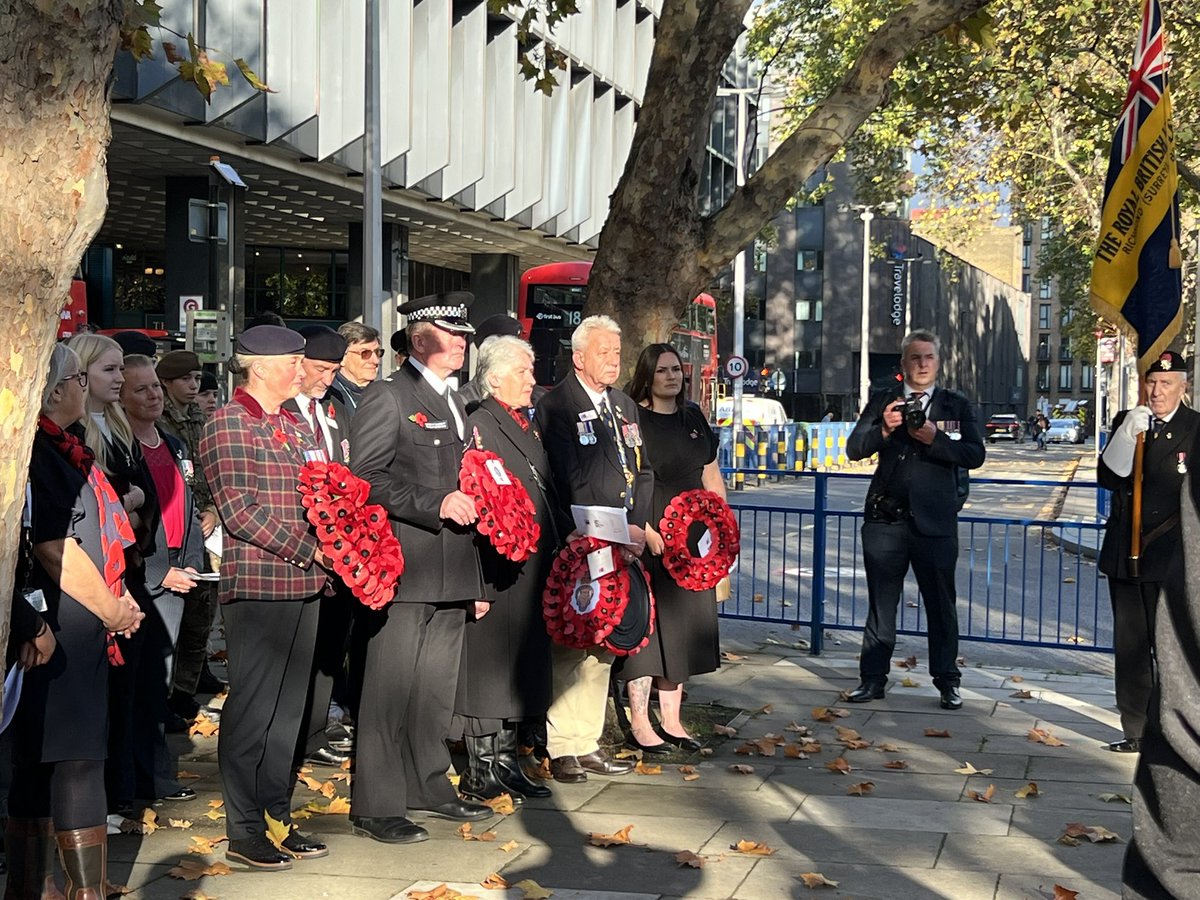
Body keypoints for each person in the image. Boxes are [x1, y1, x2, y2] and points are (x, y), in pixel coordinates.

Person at [349, 292, 492, 844]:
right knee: (388, 688)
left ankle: (428, 785)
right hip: (406, 568)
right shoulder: (389, 397)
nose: (461, 341)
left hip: (454, 568)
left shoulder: (456, 399)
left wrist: (477, 576)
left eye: (463, 334)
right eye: (449, 332)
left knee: (434, 689)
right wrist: (432, 503)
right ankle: (377, 803)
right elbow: (364, 479)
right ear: (416, 339)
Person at [6, 344, 143, 899]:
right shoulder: (40, 449)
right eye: (79, 381)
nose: (85, 390)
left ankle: (42, 887)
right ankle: (72, 890)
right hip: (59, 623)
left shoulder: (60, 446)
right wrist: (111, 608)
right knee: (74, 758)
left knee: (45, 758)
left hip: (66, 622)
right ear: (58, 389)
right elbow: (53, 543)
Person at [198, 325, 332, 870]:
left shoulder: (290, 422)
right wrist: (312, 551)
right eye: (294, 363)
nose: (301, 372)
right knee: (254, 710)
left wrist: (339, 539)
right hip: (260, 585)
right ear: (260, 367)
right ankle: (243, 827)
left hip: (305, 584)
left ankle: (276, 815)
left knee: (288, 715)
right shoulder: (229, 423)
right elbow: (240, 511)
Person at [534, 315, 653, 784]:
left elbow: (641, 470)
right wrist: (590, 535)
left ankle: (587, 740)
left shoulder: (624, 405)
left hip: (623, 539)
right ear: (579, 356)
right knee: (572, 638)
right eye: (603, 352)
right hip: (580, 542)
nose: (613, 360)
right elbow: (564, 478)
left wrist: (637, 526)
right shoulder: (557, 405)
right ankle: (561, 744)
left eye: (617, 353)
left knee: (603, 641)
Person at [844, 330, 985, 710]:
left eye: (929, 358)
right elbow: (854, 449)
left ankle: (947, 682)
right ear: (903, 364)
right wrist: (885, 428)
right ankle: (872, 679)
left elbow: (975, 454)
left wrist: (933, 437)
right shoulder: (883, 402)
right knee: (881, 604)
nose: (922, 364)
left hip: (935, 524)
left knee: (941, 605)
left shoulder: (956, 405)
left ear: (938, 363)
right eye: (915, 358)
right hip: (885, 521)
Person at [454, 336, 564, 804]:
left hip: (531, 563)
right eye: (523, 371)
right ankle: (481, 769)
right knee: (490, 670)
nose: (532, 379)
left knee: (520, 667)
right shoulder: (482, 422)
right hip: (497, 564)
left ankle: (506, 760)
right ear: (495, 377)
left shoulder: (523, 421)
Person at [618, 343, 725, 754]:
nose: (672, 377)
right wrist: (643, 529)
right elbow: (627, 479)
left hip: (695, 541)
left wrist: (722, 534)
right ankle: (641, 723)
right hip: (650, 533)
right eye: (663, 370)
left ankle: (673, 722)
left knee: (681, 629)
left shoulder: (693, 416)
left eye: (677, 370)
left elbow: (711, 475)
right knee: (648, 629)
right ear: (647, 375)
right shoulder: (633, 419)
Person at [113, 355, 204, 807]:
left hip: (177, 576)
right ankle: (138, 781)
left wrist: (190, 563)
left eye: (154, 387)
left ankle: (154, 774)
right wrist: (157, 570)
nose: (152, 395)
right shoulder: (117, 446)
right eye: (141, 389)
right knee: (138, 687)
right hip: (140, 581)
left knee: (159, 684)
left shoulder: (171, 442)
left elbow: (184, 508)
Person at [1097, 351, 1197, 754]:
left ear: (1183, 386)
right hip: (1127, 552)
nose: (1157, 392)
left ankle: (1176, 733)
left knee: (1173, 653)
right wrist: (1124, 437)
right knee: (1132, 648)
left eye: (1166, 383)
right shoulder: (1129, 422)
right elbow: (1108, 478)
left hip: (1173, 557)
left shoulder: (1196, 428)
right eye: (1152, 383)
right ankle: (1136, 729)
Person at [283, 325, 354, 769]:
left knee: (330, 647)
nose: (327, 378)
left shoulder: (334, 409)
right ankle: (290, 736)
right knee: (297, 653)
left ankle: (314, 734)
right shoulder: (280, 411)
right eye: (321, 369)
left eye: (334, 370)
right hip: (296, 547)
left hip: (339, 547)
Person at [156, 350, 224, 724]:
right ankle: (167, 692)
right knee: (174, 615)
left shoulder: (201, 418)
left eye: (197, 378)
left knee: (203, 611)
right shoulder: (159, 418)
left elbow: (211, 469)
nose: (194, 385)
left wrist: (214, 510)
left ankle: (185, 688)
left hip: (204, 523)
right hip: (174, 523)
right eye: (186, 379)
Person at [330, 322, 383, 419]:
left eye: (377, 352)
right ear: (343, 357)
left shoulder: (386, 393)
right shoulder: (329, 396)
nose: (375, 361)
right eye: (365, 353)